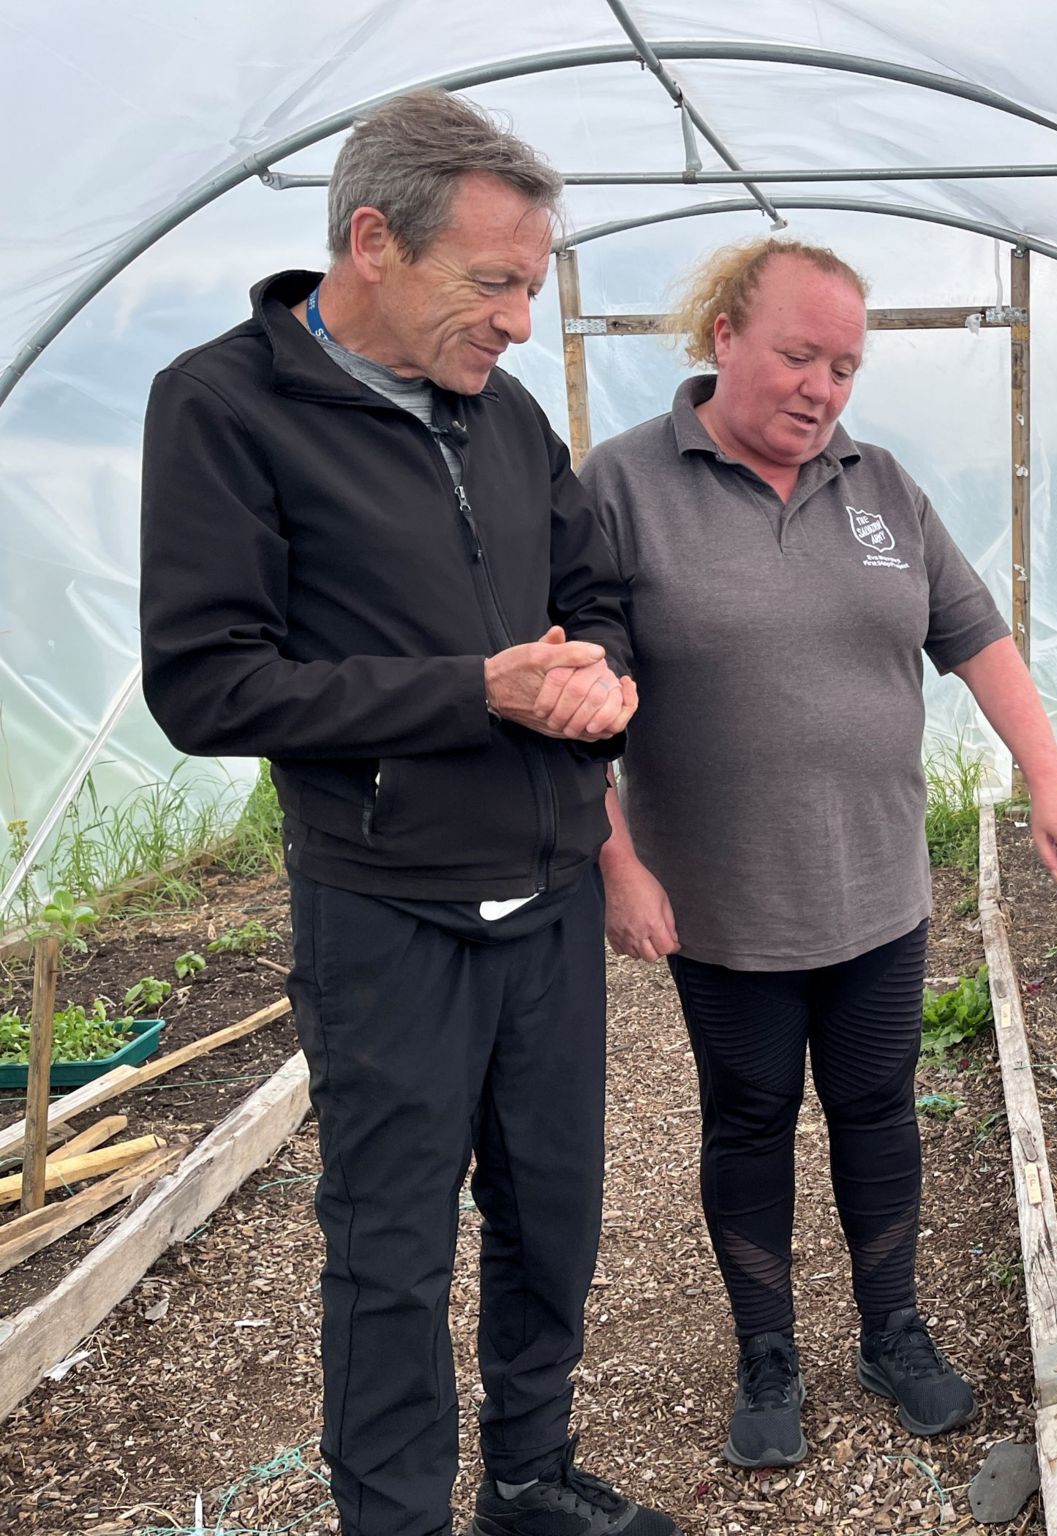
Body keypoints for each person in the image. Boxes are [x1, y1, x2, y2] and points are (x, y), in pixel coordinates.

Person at [138, 91, 674, 1536]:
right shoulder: (225, 406)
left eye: (530, 289)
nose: (514, 320)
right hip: (388, 908)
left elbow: (595, 587)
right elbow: (207, 686)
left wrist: (603, 677)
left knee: (551, 1210)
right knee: (388, 1249)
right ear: (372, 240)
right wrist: (477, 693)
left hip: (550, 890)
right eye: (492, 282)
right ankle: (394, 1518)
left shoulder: (499, 419)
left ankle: (529, 1477)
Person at [579, 237, 1057, 1470]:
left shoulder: (880, 487)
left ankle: (891, 1329)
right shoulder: (619, 488)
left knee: (877, 1111)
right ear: (723, 340)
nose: (822, 389)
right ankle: (768, 1347)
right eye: (798, 355)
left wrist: (1049, 780)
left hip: (878, 891)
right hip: (723, 904)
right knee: (750, 1119)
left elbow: (976, 637)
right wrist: (616, 863)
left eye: (846, 367)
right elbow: (574, 694)